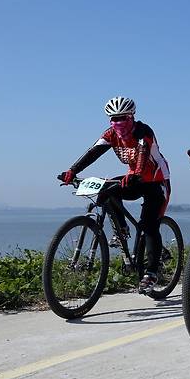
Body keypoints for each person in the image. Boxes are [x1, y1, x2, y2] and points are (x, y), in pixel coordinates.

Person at [58, 97, 171, 294]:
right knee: (106, 191)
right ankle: (122, 231)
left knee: (149, 226)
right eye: (114, 118)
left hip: (156, 181)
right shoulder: (111, 135)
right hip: (134, 178)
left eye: (122, 118)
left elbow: (143, 152)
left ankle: (152, 273)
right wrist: (72, 171)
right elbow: (93, 152)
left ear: (132, 116)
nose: (118, 122)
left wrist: (136, 174)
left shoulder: (143, 131)